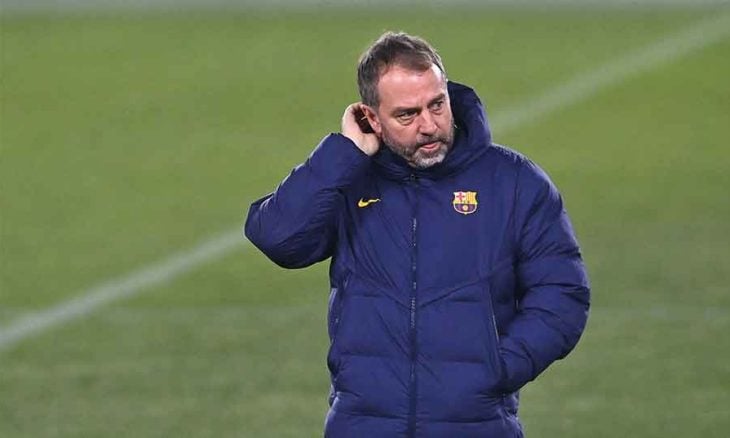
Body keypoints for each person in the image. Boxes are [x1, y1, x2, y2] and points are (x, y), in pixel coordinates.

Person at [245, 31, 590, 438]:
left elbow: (562, 294)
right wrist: (343, 154)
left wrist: (497, 370)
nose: (429, 125)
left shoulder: (514, 182)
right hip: (364, 423)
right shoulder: (350, 179)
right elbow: (279, 238)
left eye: (437, 104)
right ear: (372, 118)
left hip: (475, 425)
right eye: (407, 115)